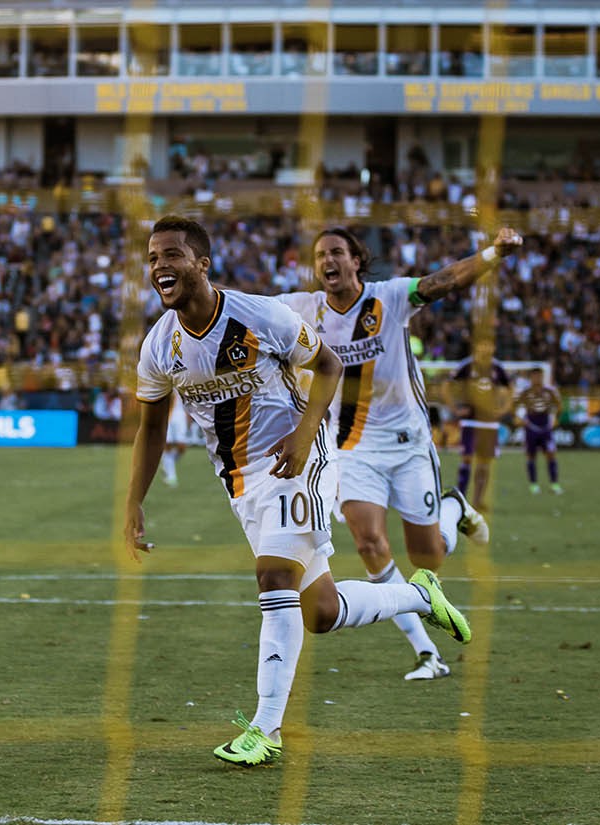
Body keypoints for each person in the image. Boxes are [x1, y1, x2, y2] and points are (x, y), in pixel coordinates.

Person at [125, 216, 471, 768]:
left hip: (300, 460)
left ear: (201, 264)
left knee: (273, 577)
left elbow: (328, 364)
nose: (159, 265)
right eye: (152, 257)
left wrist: (306, 432)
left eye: (170, 254)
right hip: (240, 485)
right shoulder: (158, 345)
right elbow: (152, 428)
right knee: (321, 612)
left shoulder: (258, 315)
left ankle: (265, 730)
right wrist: (134, 501)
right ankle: (419, 595)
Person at [277, 226, 518, 681]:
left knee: (429, 557)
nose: (327, 260)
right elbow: (249, 308)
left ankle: (453, 507)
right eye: (320, 255)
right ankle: (427, 652)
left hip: (408, 445)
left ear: (355, 260)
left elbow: (444, 280)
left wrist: (493, 253)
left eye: (336, 252)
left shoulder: (389, 296)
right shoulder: (303, 307)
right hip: (352, 449)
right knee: (369, 543)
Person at [446, 339, 512, 510]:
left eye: (489, 345)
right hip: (470, 420)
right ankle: (460, 497)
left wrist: (504, 408)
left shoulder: (497, 367)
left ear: (493, 348)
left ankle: (477, 500)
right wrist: (455, 409)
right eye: (482, 345)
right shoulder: (467, 366)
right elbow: (446, 386)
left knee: (484, 464)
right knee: (467, 458)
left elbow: (510, 387)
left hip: (489, 423)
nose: (485, 349)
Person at [516, 367, 563, 495]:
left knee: (551, 454)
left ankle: (554, 484)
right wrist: (519, 419)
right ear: (530, 378)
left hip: (545, 427)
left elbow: (559, 406)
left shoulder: (549, 391)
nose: (537, 379)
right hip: (531, 427)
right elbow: (513, 406)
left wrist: (556, 419)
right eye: (535, 376)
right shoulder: (525, 392)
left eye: (540, 376)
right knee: (531, 456)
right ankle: (533, 485)